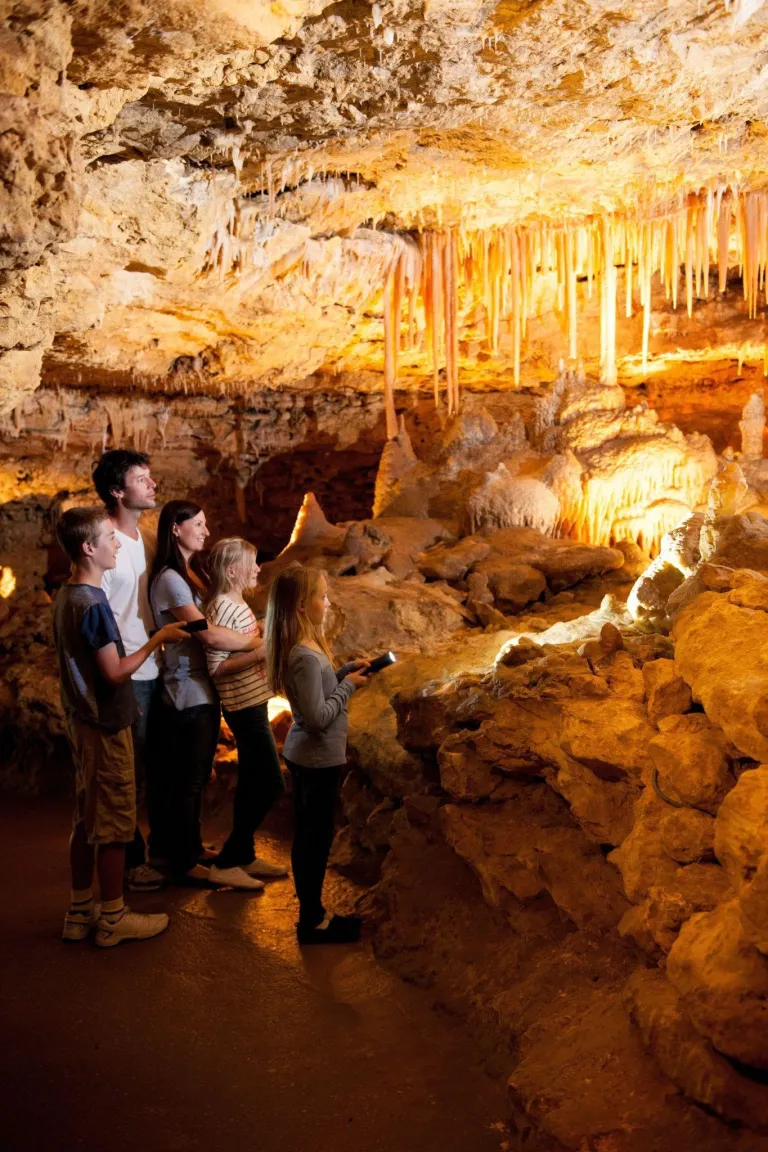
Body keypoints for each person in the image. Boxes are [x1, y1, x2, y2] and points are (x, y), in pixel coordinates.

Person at [54, 506, 186, 947]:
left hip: (85, 719)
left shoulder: (67, 595)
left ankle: (79, 910)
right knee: (113, 822)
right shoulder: (94, 603)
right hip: (103, 725)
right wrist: (158, 640)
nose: (118, 545)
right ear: (89, 548)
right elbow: (113, 672)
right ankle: (113, 915)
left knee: (86, 816)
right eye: (110, 539)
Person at [149, 501, 261, 885]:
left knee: (190, 777)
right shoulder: (171, 579)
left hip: (198, 686)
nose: (206, 530)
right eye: (198, 524)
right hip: (186, 690)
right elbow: (209, 634)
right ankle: (181, 861)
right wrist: (257, 645)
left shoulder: (190, 575)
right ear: (175, 529)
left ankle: (185, 847)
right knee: (188, 780)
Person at [264, 563, 369, 945]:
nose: (328, 602)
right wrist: (349, 688)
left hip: (311, 754)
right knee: (314, 840)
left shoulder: (306, 649)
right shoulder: (304, 655)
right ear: (301, 606)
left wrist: (341, 673)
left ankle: (315, 914)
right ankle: (312, 921)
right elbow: (317, 717)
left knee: (312, 837)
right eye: (321, 596)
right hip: (316, 757)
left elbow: (316, 695)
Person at [92, 448, 164, 893]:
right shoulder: (101, 542)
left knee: (153, 767)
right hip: (125, 673)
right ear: (119, 491)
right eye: (141, 478)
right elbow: (93, 612)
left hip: (155, 667)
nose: (152, 484)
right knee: (126, 773)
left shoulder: (149, 538)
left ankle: (158, 848)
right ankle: (130, 861)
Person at [204, 538, 288, 889]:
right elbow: (215, 667)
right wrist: (261, 653)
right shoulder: (223, 606)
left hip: (254, 702)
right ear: (231, 570)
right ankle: (226, 861)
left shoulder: (236, 603)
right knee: (271, 783)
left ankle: (245, 856)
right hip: (243, 707)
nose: (258, 569)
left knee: (253, 781)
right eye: (251, 564)